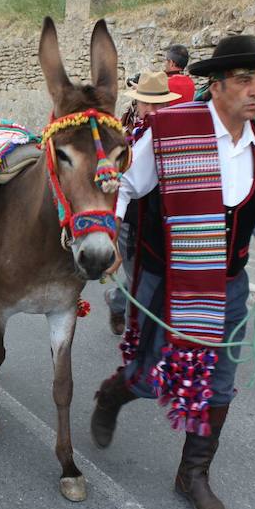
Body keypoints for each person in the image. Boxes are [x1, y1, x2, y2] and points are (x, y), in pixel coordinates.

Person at [89, 35, 255, 509]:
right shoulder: (172, 130)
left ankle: (193, 474)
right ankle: (114, 394)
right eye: (245, 81)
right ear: (217, 86)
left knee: (220, 383)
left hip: (228, 284)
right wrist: (112, 244)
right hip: (167, 281)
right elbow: (123, 187)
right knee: (148, 372)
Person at [105, 71, 180, 335]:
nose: (154, 109)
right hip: (132, 223)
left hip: (158, 222)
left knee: (150, 279)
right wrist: (112, 235)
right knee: (141, 282)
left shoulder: (166, 131)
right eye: (149, 103)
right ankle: (137, 340)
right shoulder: (125, 130)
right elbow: (122, 187)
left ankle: (117, 300)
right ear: (138, 103)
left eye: (160, 103)